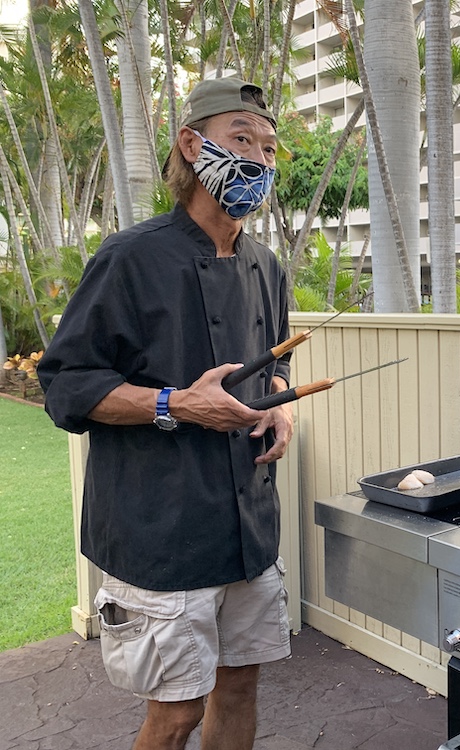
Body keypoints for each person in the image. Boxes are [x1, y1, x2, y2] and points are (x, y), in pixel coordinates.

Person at [37, 78, 295, 750]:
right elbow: (65, 384)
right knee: (176, 713)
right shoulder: (129, 257)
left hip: (249, 529)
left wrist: (280, 408)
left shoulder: (267, 264)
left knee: (239, 689)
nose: (262, 161)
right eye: (244, 139)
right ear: (192, 143)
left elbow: (270, 366)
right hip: (162, 532)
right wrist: (175, 403)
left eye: (270, 148)